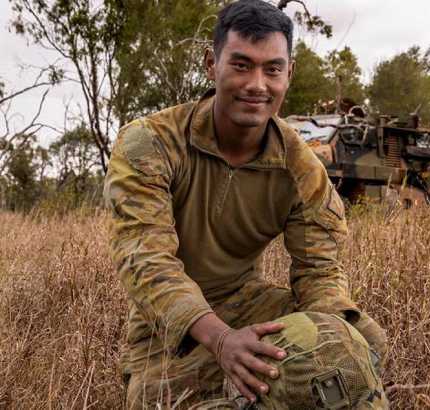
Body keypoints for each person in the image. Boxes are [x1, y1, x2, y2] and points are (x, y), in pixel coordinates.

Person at [103, 1, 387, 408]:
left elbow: (319, 272)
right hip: (166, 331)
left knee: (359, 341)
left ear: (288, 74)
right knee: (161, 399)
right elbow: (147, 262)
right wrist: (221, 341)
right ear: (210, 63)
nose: (257, 84)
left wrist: (337, 343)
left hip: (247, 302)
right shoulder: (150, 143)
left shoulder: (300, 166)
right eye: (241, 65)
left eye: (272, 69)